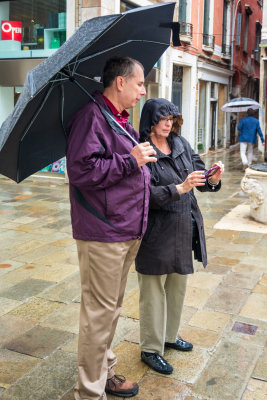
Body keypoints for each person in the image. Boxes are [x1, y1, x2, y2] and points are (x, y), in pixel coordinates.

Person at [66, 57, 157, 400]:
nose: (143, 91)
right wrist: (130, 160)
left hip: (124, 229)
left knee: (110, 311)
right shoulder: (90, 116)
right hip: (102, 232)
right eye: (139, 84)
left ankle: (104, 374)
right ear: (120, 82)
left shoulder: (118, 119)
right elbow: (82, 172)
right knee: (98, 314)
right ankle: (89, 393)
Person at [135, 98, 224, 374]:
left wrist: (211, 179)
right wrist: (180, 188)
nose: (168, 123)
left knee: (177, 286)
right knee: (152, 291)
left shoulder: (181, 143)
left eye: (172, 118)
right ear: (150, 120)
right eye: (163, 119)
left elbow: (198, 174)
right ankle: (150, 348)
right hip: (155, 231)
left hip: (184, 226)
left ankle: (169, 337)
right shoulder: (142, 151)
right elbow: (144, 194)